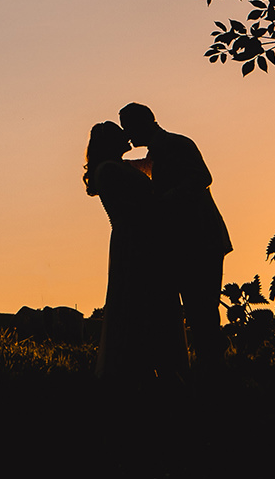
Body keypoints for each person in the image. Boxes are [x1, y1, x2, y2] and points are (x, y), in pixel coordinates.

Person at [120, 102, 235, 374]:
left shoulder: (178, 144)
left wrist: (165, 200)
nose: (128, 135)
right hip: (184, 244)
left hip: (201, 240)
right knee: (192, 310)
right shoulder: (159, 152)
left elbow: (202, 177)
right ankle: (209, 368)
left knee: (201, 311)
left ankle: (216, 371)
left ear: (146, 122)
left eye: (130, 128)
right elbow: (148, 166)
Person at [83, 121, 185, 389]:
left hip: (141, 237)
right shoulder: (108, 170)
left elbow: (150, 164)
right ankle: (133, 367)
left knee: (151, 299)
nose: (126, 138)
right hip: (132, 239)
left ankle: (157, 365)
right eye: (120, 135)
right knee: (135, 297)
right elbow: (133, 204)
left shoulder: (121, 167)